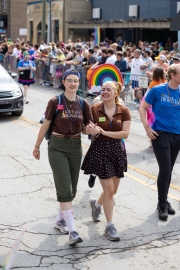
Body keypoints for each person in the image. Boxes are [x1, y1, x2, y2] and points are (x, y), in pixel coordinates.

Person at [33, 69, 93, 245]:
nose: (73, 83)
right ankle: (73, 231)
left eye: (76, 80)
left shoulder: (83, 103)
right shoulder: (55, 101)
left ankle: (60, 220)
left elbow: (85, 127)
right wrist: (37, 147)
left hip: (76, 146)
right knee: (65, 189)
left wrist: (90, 129)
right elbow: (45, 126)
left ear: (79, 83)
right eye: (69, 80)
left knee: (72, 190)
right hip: (57, 146)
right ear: (64, 82)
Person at [81, 81, 131, 241]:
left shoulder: (124, 111)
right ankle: (110, 226)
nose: (105, 92)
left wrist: (102, 131)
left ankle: (96, 204)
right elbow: (86, 129)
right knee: (109, 190)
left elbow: (125, 134)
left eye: (108, 90)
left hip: (117, 152)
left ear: (116, 93)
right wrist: (90, 130)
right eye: (103, 90)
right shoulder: (94, 109)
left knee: (113, 190)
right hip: (100, 151)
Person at [139, 64, 180, 221]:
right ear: (173, 75)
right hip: (160, 134)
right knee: (165, 169)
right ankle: (161, 204)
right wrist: (147, 127)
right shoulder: (157, 90)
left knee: (168, 171)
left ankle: (165, 200)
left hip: (177, 135)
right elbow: (143, 108)